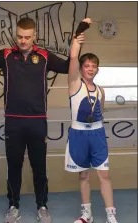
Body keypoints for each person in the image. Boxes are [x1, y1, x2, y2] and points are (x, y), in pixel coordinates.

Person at [0, 16, 70, 223]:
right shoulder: (7, 55)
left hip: (38, 120)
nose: (23, 41)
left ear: (34, 36)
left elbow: (66, 67)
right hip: (13, 121)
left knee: (39, 167)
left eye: (27, 37)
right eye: (19, 36)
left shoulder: (45, 56)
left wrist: (76, 44)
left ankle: (42, 206)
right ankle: (13, 206)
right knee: (14, 166)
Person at [65, 18, 118, 223]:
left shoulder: (100, 91)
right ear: (81, 68)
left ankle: (110, 215)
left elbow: (100, 113)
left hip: (96, 134)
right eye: (86, 65)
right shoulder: (74, 84)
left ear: (97, 69)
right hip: (78, 134)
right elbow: (72, 56)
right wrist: (79, 31)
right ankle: (87, 214)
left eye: (93, 66)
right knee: (84, 176)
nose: (90, 69)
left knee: (104, 175)